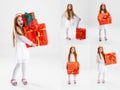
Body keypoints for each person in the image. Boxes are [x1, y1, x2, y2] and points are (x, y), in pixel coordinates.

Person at [11, 13, 36, 86]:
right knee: (19, 63)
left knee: (24, 62)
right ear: (16, 22)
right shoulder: (16, 29)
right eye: (18, 21)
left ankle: (24, 77)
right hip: (19, 48)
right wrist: (31, 43)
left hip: (24, 47)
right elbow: (23, 38)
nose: (20, 21)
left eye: (21, 19)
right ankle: (13, 78)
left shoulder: (23, 27)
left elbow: (30, 30)